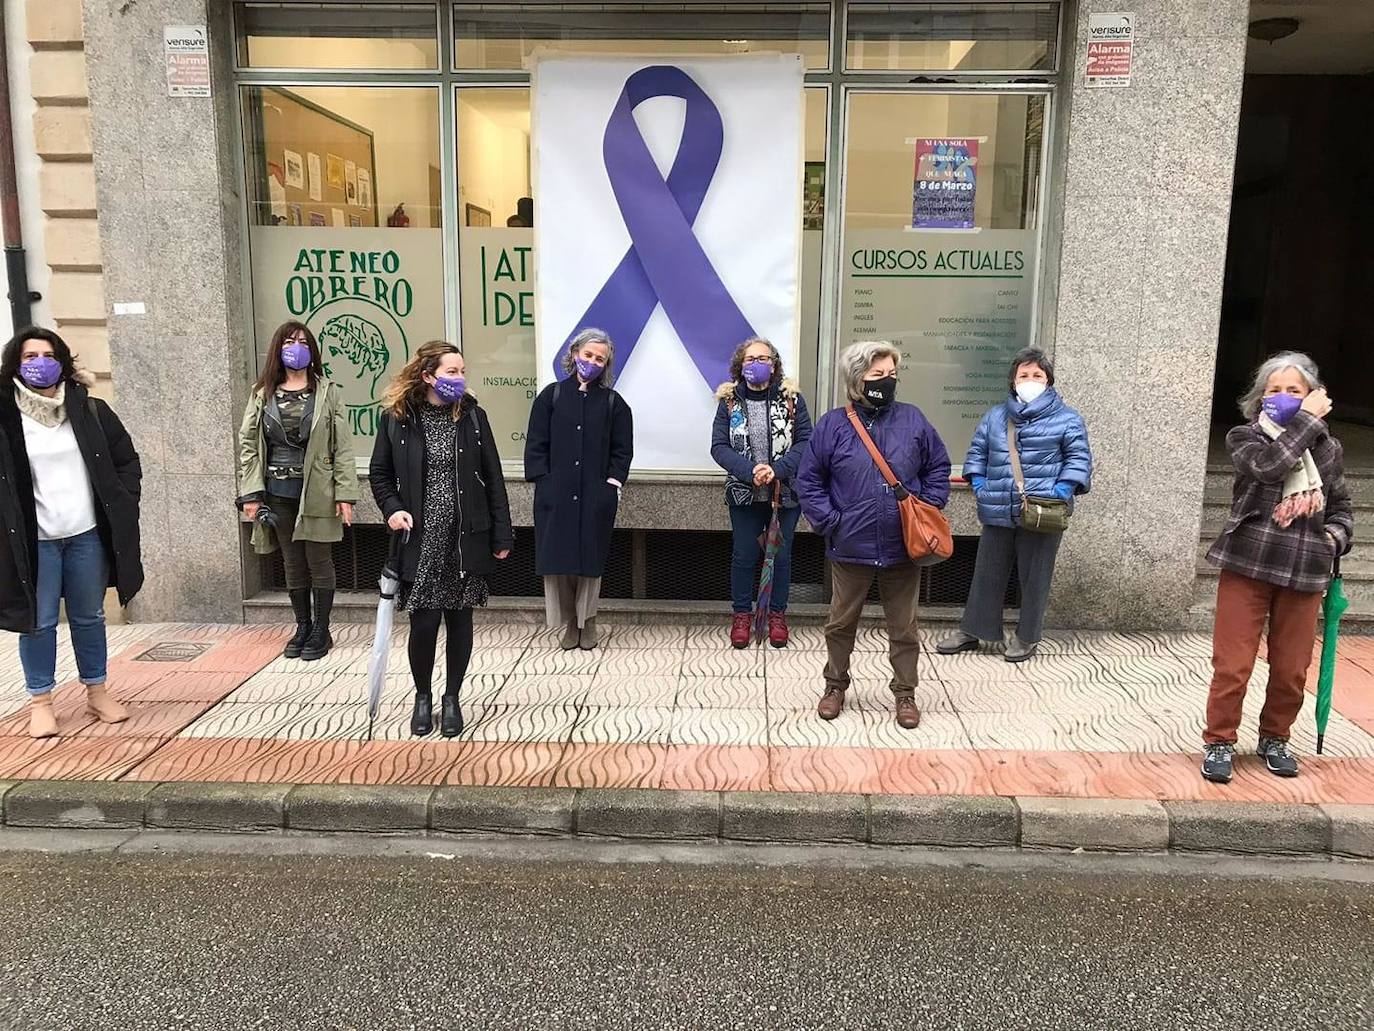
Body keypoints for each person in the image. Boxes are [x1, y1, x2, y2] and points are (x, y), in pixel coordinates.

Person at [1200, 352, 1352, 784]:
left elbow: (1341, 508)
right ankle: (1219, 742)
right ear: (1259, 397)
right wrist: (1307, 421)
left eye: (1294, 391)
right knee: (1233, 663)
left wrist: (1331, 540)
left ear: (1312, 396)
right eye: (1274, 389)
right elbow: (1271, 468)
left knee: (1291, 669)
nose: (1283, 397)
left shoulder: (1330, 449)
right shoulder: (1245, 437)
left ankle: (1275, 738)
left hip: (1304, 568)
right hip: (1249, 561)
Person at [797, 340, 950, 730]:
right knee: (840, 624)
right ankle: (834, 686)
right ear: (856, 379)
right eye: (877, 375)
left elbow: (938, 466)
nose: (887, 382)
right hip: (850, 545)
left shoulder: (913, 419)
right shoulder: (833, 424)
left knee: (904, 627)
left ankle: (905, 693)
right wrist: (832, 521)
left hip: (903, 545)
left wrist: (926, 505)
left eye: (892, 375)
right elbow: (809, 480)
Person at [0, 327, 143, 738]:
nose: (39, 363)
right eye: (29, 356)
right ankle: (41, 702)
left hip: (85, 537)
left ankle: (97, 692)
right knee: (39, 622)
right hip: (35, 542)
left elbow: (125, 460)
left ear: (62, 361)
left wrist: (122, 502)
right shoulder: (7, 418)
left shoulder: (88, 410)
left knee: (89, 616)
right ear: (16, 363)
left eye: (47, 354)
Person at [371, 341, 513, 738]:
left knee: (460, 620)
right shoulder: (398, 418)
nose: (459, 378)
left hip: (465, 537)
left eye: (462, 371)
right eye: (451, 372)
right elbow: (379, 474)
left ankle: (452, 697)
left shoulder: (473, 417)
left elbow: (494, 478)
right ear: (428, 375)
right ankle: (422, 697)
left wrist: (502, 533)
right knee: (424, 624)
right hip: (421, 538)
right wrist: (392, 509)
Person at [937, 348, 1092, 663]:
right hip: (998, 507)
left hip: (1043, 510)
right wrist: (979, 483)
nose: (1030, 380)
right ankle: (974, 630)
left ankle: (1027, 636)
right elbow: (977, 452)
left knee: (1035, 576)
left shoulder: (1068, 418)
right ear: (1013, 380)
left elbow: (1079, 458)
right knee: (987, 573)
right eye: (1024, 375)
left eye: (1037, 375)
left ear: (1048, 380)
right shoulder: (995, 416)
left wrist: (1062, 490)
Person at [236, 321, 357, 662]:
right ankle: (302, 625)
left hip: (318, 489)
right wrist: (251, 494)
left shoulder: (327, 391)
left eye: (303, 342)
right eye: (289, 341)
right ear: (278, 348)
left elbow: (342, 446)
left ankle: (322, 629)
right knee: (292, 561)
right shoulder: (263, 393)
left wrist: (345, 494)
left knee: (319, 560)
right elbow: (249, 445)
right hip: (277, 491)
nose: (296, 347)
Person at [524, 328, 634, 651]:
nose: (592, 362)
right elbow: (536, 444)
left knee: (589, 561)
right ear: (574, 354)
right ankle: (571, 621)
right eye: (588, 355)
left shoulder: (614, 403)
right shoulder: (551, 396)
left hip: (595, 494)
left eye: (599, 358)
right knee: (560, 560)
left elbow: (622, 450)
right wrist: (543, 481)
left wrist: (611, 485)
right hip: (556, 494)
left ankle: (590, 620)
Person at [710, 337, 813, 648]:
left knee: (779, 555)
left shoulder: (792, 399)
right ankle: (742, 615)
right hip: (744, 494)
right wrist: (750, 470)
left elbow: (806, 442)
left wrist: (776, 470)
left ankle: (777, 615)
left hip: (785, 494)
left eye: (764, 358)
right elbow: (719, 447)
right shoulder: (729, 403)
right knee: (744, 555)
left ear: (774, 364)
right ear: (741, 365)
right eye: (751, 358)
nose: (758, 363)